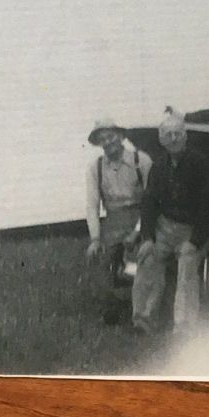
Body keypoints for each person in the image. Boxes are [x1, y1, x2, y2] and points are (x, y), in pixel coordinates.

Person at [132, 108, 209, 334]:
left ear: (185, 136)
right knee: (148, 256)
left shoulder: (201, 163)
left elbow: (208, 206)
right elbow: (149, 203)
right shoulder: (159, 166)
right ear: (162, 140)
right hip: (166, 227)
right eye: (168, 135)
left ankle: (184, 325)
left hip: (193, 228)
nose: (174, 138)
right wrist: (147, 237)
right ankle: (143, 319)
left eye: (178, 133)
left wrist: (195, 241)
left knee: (187, 261)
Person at [85, 118, 152, 325]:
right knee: (99, 258)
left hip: (142, 216)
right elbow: (92, 205)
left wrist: (137, 231)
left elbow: (152, 201)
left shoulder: (141, 160)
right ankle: (111, 308)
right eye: (102, 139)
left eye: (111, 137)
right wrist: (95, 239)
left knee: (145, 256)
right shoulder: (95, 167)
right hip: (113, 220)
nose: (108, 142)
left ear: (121, 137)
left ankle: (146, 309)